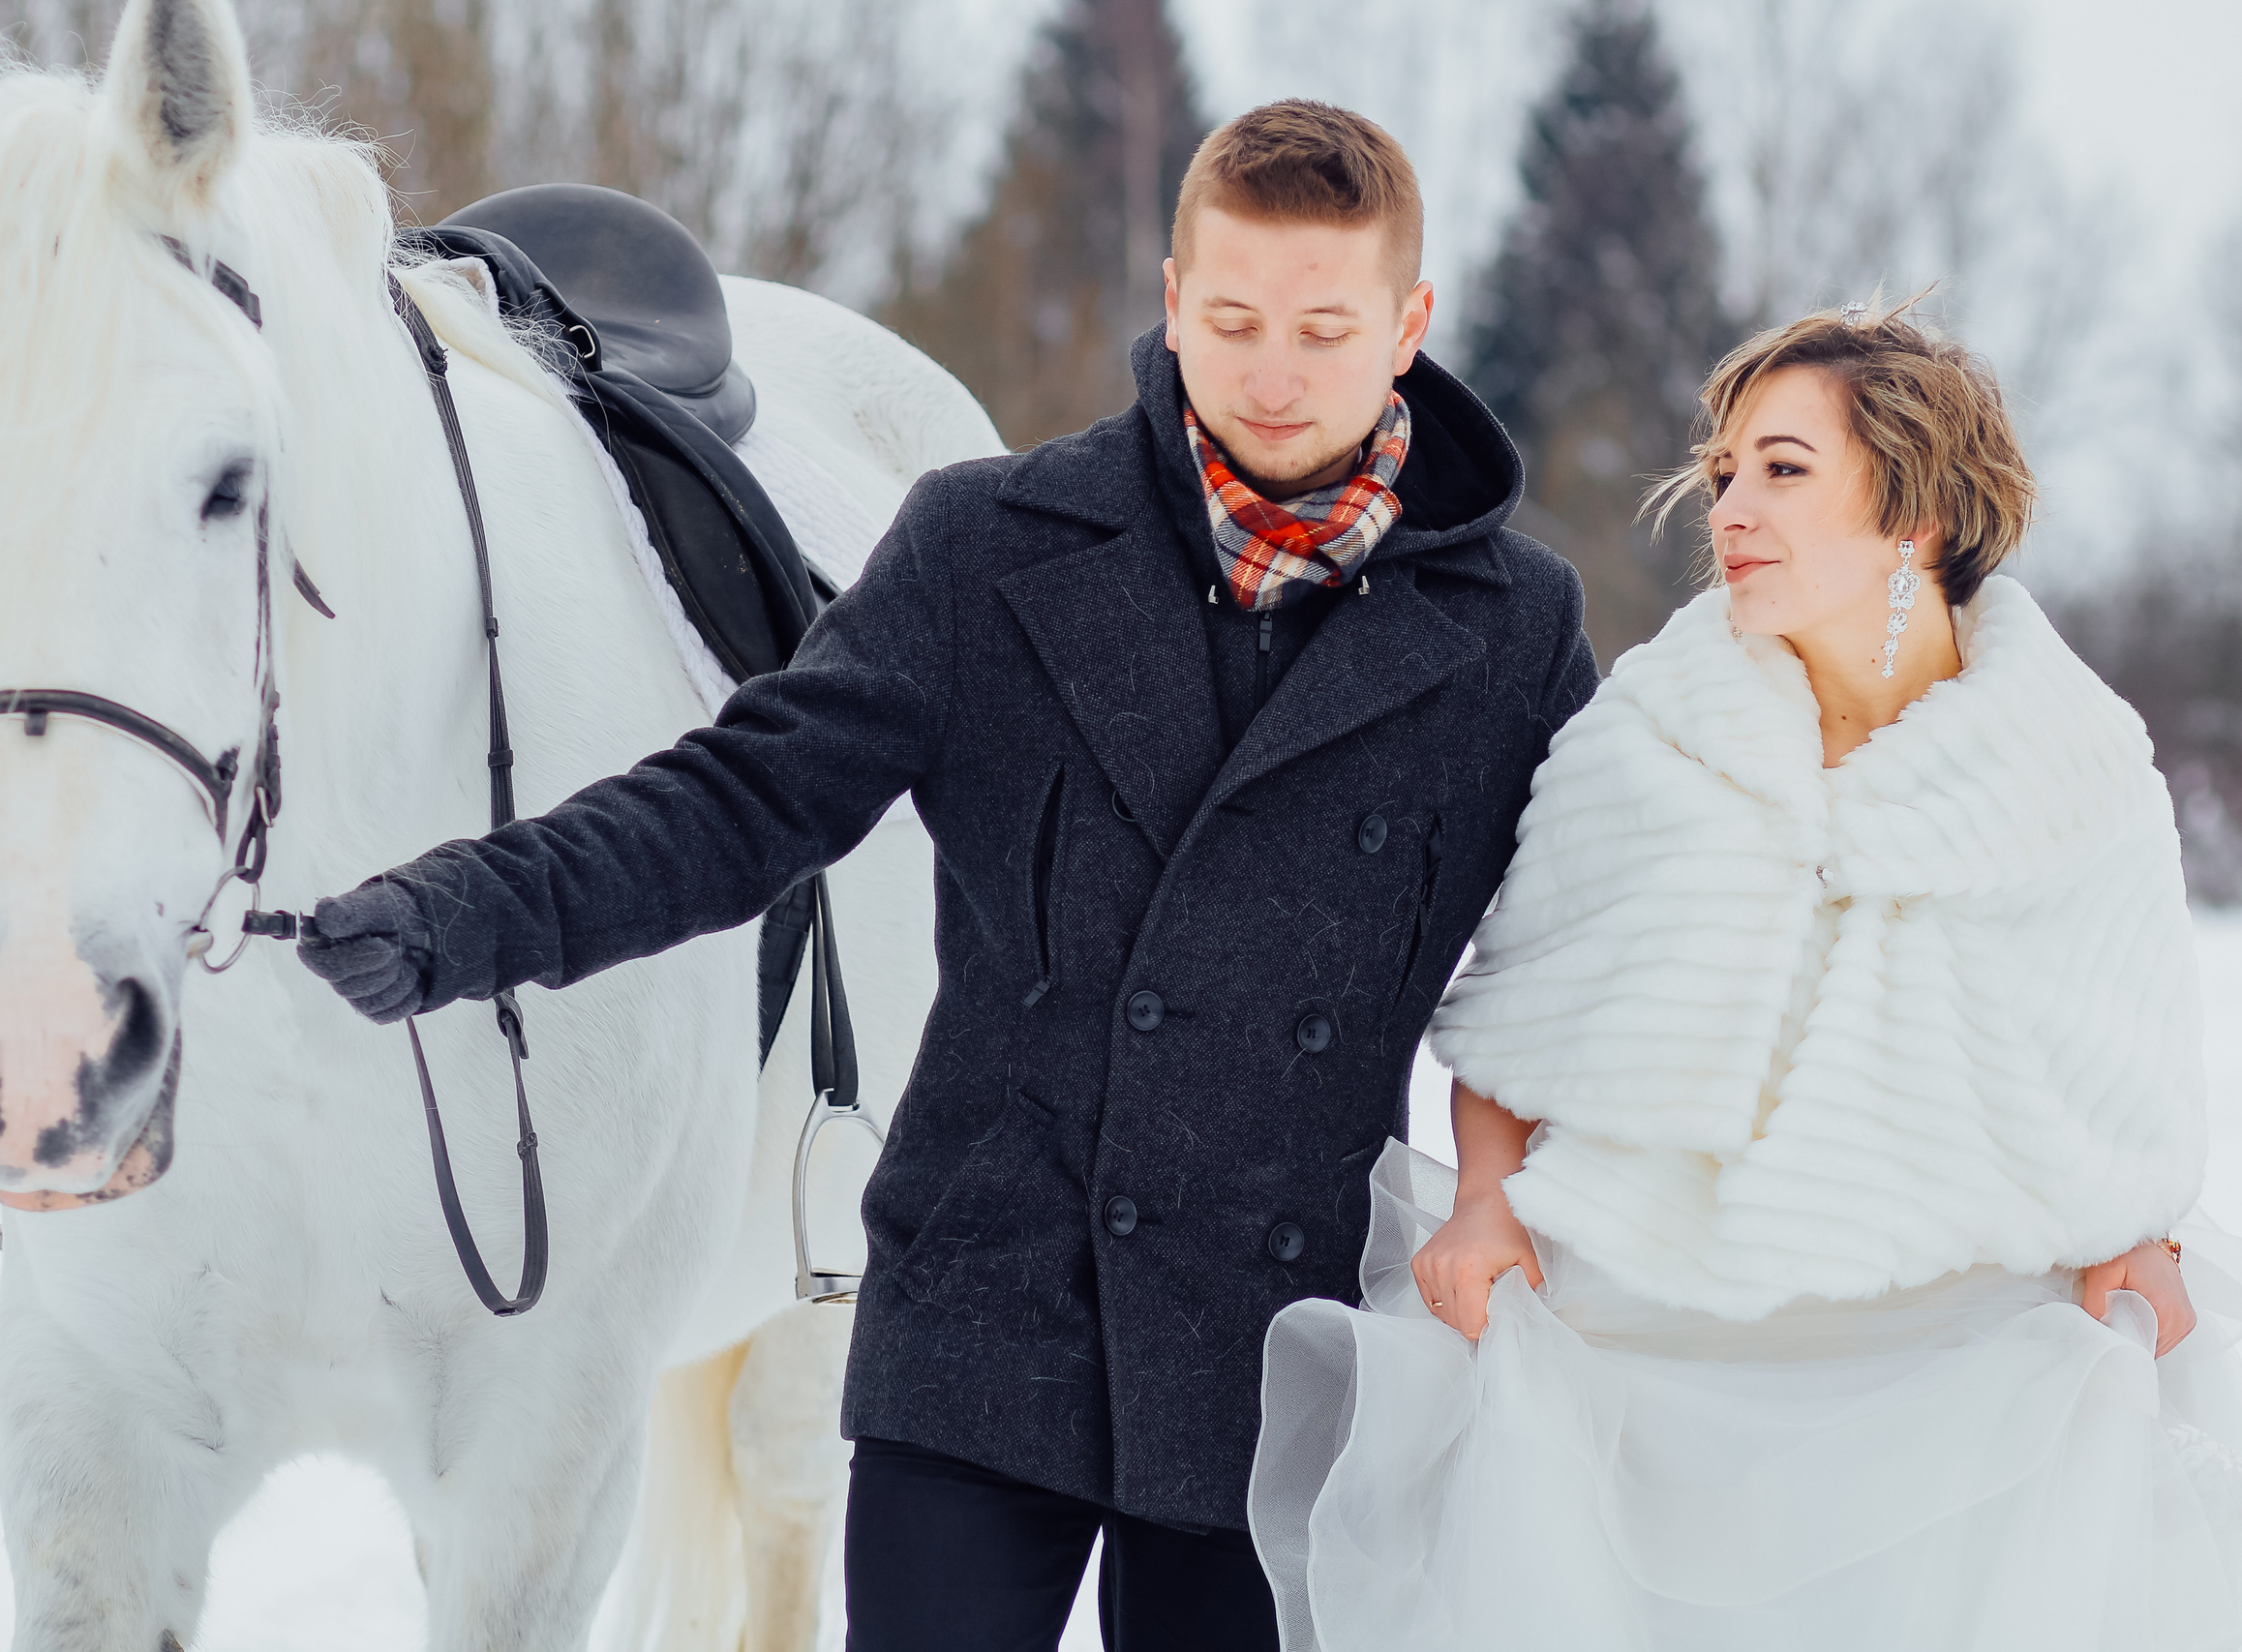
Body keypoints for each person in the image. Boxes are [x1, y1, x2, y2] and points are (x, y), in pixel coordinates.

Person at [295, 101, 1596, 1649]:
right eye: (1234, 317)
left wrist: (1534, 1199)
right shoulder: (989, 546)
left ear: (1407, 325)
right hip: (985, 1327)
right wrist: (460, 915)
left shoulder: (1512, 634)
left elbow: (1584, 956)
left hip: (1281, 1350)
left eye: (1324, 327)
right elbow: (741, 801)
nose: (1271, 370)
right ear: (1174, 300)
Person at [1249, 298, 2242, 1651]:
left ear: (1921, 511)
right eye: (1722, 472)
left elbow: (2129, 1077)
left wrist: (2143, 1228)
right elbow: (1516, 1034)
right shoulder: (1643, 746)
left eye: (1784, 468)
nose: (1730, 507)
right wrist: (1483, 1203)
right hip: (1636, 1361)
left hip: (1957, 1371)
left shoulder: (2077, 770)